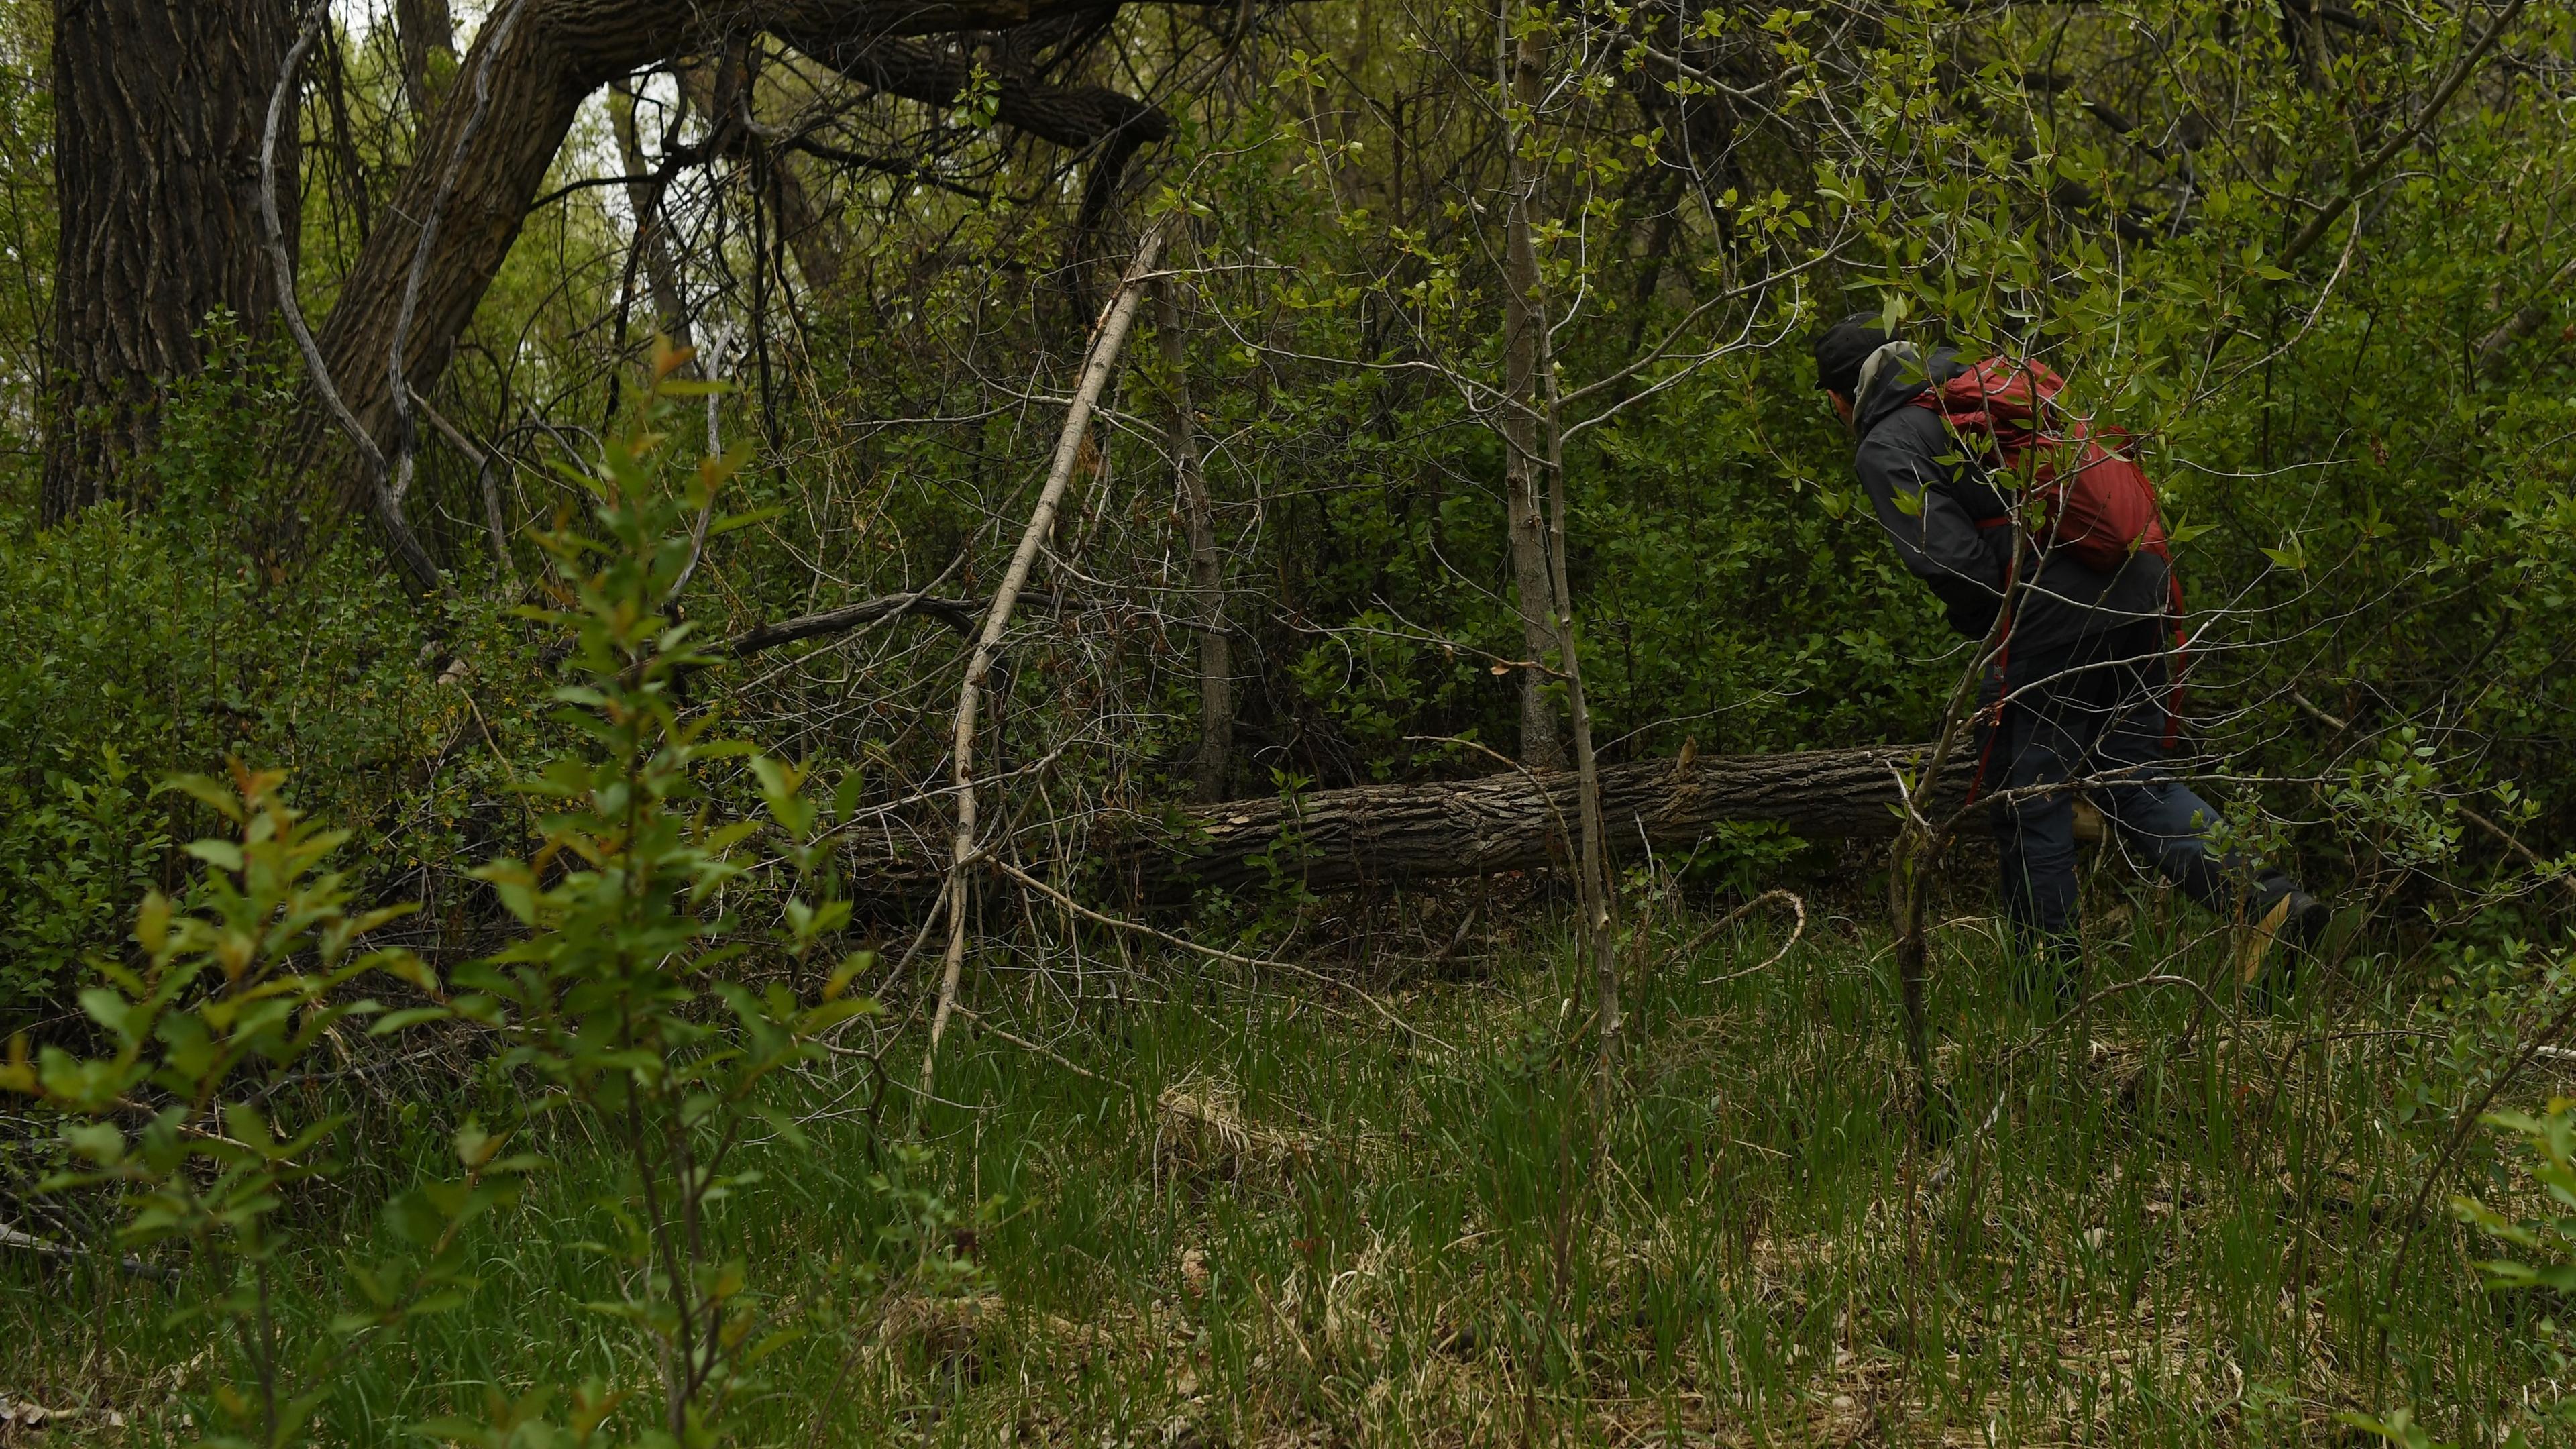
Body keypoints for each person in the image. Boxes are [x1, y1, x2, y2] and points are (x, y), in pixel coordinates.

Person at [1809, 313, 2332, 997]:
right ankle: (2269, 904)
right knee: (2131, 778)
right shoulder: (1975, 382)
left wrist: (1993, 629)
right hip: (2141, 575)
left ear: (1839, 399)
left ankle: (2048, 997)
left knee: (2032, 799)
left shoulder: (1888, 439)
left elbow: (1954, 565)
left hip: (2058, 609)